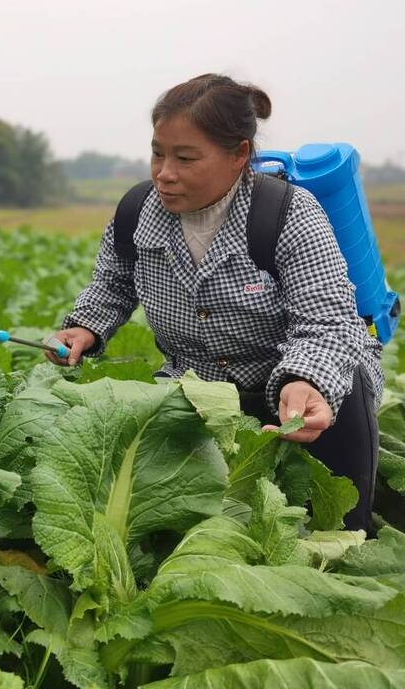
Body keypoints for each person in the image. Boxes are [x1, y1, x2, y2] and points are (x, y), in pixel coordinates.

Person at [47, 73, 383, 531]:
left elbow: (328, 321)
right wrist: (84, 327)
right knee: (186, 523)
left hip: (301, 395)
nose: (165, 173)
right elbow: (112, 284)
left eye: (186, 158)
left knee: (330, 526)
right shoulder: (137, 213)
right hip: (197, 389)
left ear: (239, 154)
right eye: (158, 153)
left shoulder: (288, 214)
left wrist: (306, 381)